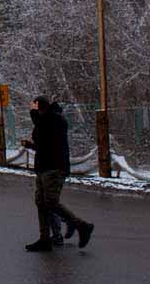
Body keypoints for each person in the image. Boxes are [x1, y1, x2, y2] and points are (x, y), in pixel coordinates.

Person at [20, 96, 94, 252]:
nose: (34, 111)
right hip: (43, 166)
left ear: (41, 107)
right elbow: (45, 143)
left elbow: (45, 129)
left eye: (35, 107)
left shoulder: (56, 119)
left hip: (55, 167)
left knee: (51, 201)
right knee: (41, 202)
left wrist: (33, 112)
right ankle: (44, 239)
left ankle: (81, 226)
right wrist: (32, 145)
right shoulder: (44, 121)